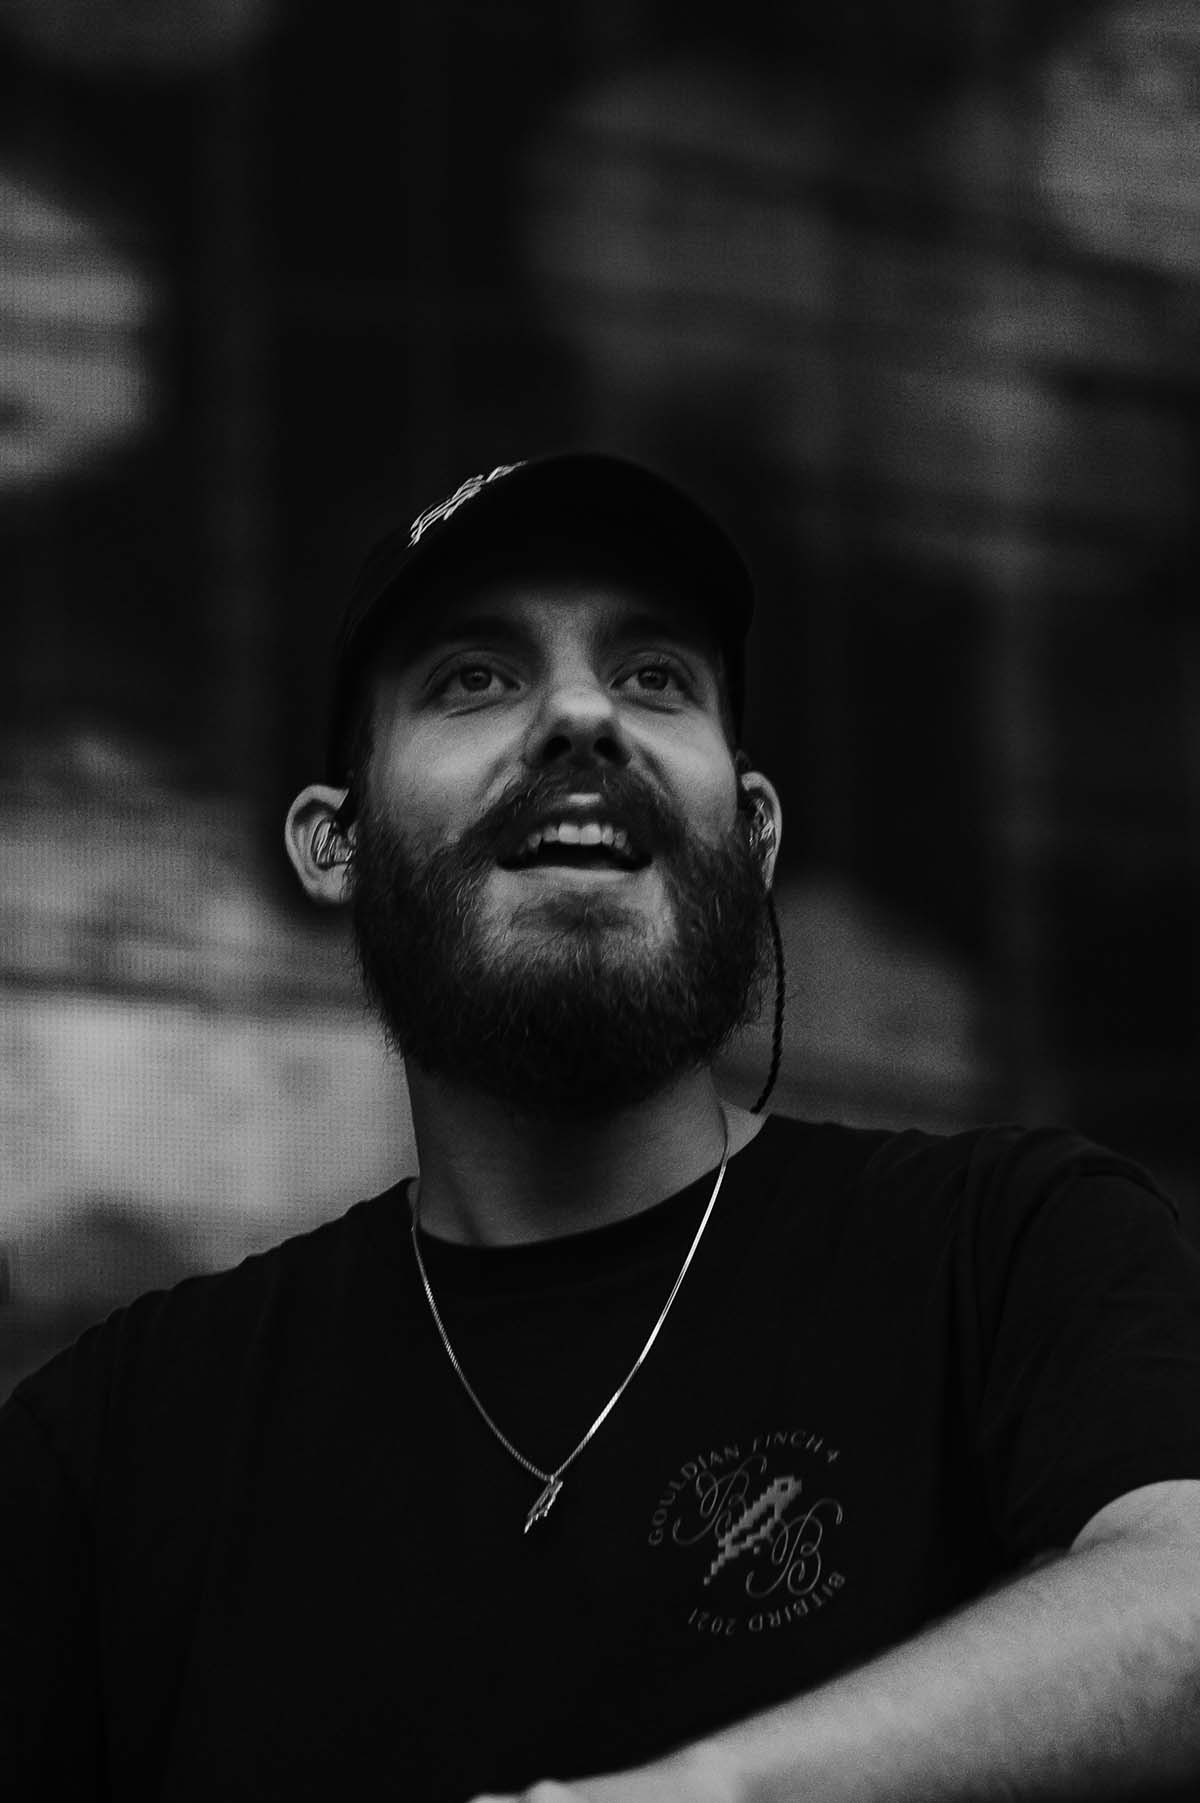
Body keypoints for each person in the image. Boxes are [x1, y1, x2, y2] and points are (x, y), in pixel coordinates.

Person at [4, 453, 1200, 1803]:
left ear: (754, 837)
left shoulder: (1010, 1247)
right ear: (337, 845)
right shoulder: (120, 1441)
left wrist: (702, 1796)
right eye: (475, 677)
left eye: (654, 678)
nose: (581, 713)